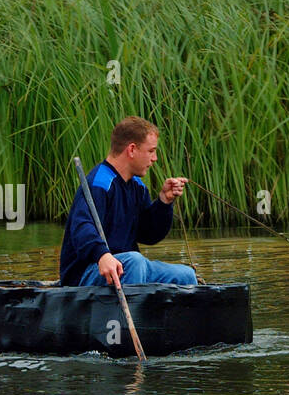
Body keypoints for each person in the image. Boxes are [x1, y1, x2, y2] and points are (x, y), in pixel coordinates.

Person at [59, 116, 198, 287]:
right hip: (87, 272)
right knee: (135, 261)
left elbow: (148, 235)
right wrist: (102, 255)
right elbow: (81, 227)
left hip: (129, 269)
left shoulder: (137, 186)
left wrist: (164, 202)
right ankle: (127, 313)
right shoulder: (99, 183)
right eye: (151, 151)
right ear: (132, 149)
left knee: (186, 275)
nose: (154, 158)